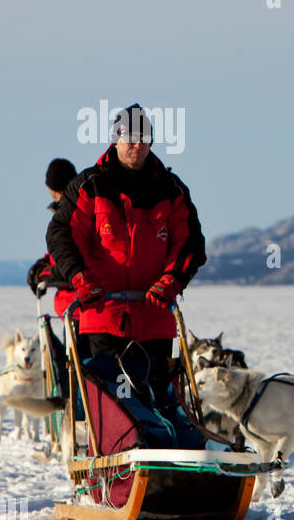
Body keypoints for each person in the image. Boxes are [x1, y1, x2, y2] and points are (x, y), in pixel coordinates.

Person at [46, 104, 206, 411]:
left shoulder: (171, 190)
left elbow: (190, 245)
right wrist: (80, 278)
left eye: (144, 136)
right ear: (115, 139)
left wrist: (170, 282)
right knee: (112, 406)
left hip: (154, 315)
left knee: (157, 403)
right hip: (103, 314)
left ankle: (160, 452)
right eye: (130, 136)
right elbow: (61, 235)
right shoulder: (89, 185)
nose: (137, 143)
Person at [27, 158, 78, 316]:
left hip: (79, 308)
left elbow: (72, 259)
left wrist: (45, 273)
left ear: (51, 188)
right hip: (76, 307)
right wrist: (47, 262)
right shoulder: (85, 208)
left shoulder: (72, 216)